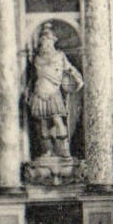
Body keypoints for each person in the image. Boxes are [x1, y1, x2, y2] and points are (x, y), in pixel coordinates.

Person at [27, 24, 83, 158]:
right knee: (43, 123)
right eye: (42, 41)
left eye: (46, 40)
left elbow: (69, 68)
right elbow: (32, 76)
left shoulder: (59, 56)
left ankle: (64, 150)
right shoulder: (37, 58)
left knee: (57, 120)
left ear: (52, 41)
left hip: (53, 91)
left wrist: (78, 79)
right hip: (39, 91)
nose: (44, 43)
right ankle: (47, 151)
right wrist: (28, 90)